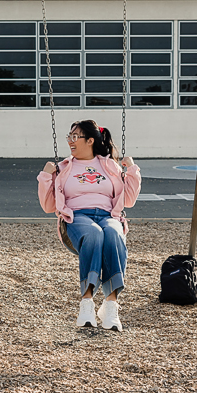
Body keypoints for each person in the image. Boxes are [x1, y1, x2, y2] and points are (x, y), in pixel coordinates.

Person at [37, 120, 141, 331]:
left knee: (112, 232)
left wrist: (132, 171)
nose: (70, 141)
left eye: (75, 137)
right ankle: (86, 303)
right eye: (70, 137)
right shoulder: (64, 168)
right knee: (94, 234)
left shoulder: (109, 165)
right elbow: (49, 206)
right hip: (77, 217)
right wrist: (46, 176)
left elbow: (127, 201)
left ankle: (110, 305)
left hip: (107, 214)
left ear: (90, 140)